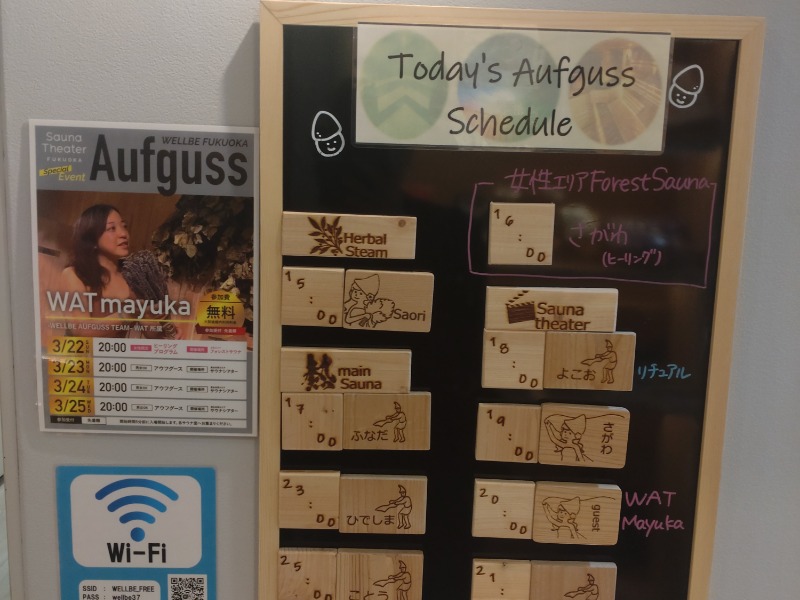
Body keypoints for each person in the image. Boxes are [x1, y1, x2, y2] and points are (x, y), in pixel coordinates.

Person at [59, 204, 132, 337]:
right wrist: (128, 314)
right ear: (92, 239)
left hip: (117, 351)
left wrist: (160, 317)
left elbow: (151, 332)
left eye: (124, 226)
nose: (123, 234)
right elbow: (80, 329)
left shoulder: (131, 278)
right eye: (112, 228)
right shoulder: (73, 274)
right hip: (80, 351)